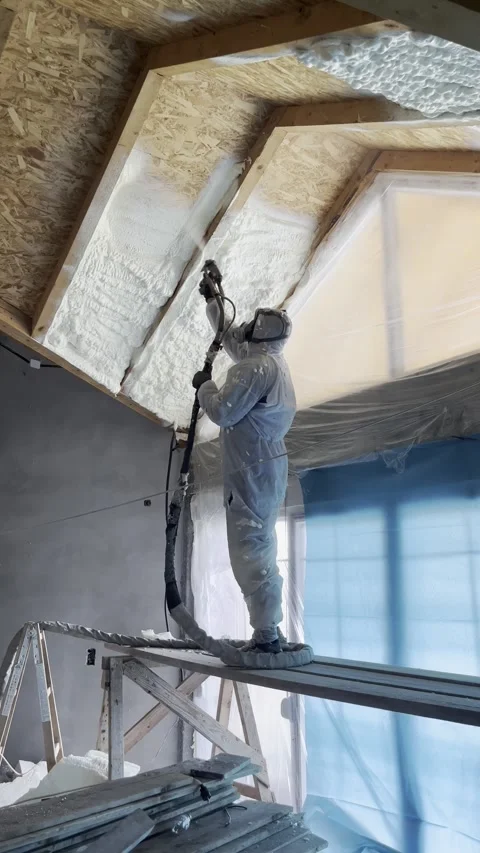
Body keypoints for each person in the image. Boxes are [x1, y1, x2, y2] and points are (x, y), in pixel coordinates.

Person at [192, 295, 296, 653]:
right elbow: (231, 337)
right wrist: (214, 299)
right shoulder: (272, 362)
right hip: (266, 467)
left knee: (250, 550)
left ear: (260, 335)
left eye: (252, 325)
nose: (245, 327)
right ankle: (270, 628)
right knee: (260, 545)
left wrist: (204, 385)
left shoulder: (256, 368)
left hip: (252, 471)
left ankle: (266, 634)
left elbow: (222, 411)